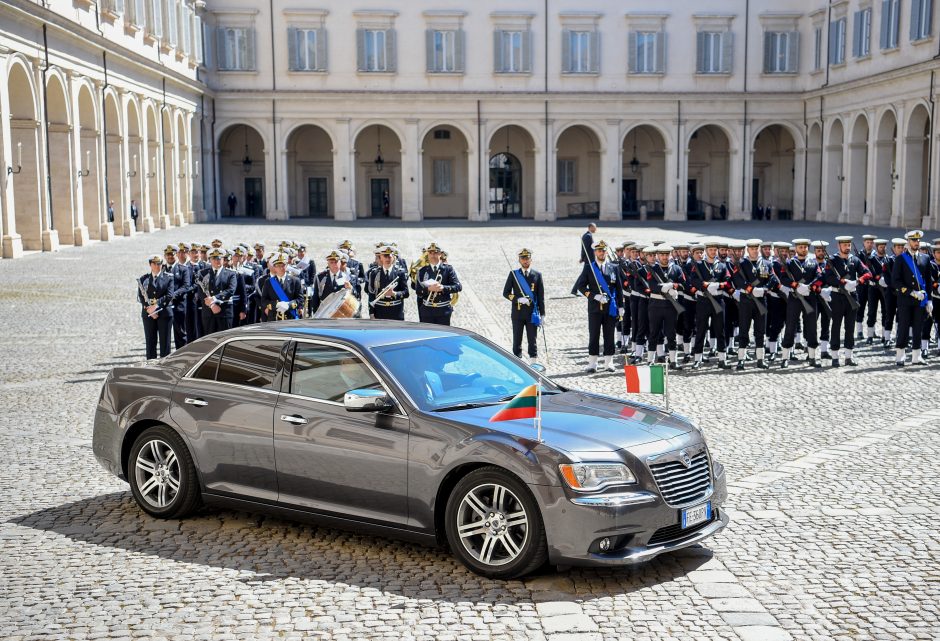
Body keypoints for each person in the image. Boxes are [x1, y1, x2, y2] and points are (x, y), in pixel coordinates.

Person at [821, 236, 871, 366]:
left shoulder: (855, 260)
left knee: (850, 327)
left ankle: (849, 356)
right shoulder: (832, 260)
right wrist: (843, 282)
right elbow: (828, 278)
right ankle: (835, 357)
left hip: (852, 297)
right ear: (839, 246)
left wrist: (857, 282)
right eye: (844, 245)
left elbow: (867, 273)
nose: (847, 247)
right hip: (837, 297)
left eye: (849, 245)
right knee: (836, 326)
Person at [574, 240, 622, 372]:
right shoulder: (589, 267)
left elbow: (619, 288)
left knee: (609, 335)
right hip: (595, 308)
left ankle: (609, 363)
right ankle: (592, 363)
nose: (601, 253)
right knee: (594, 335)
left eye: (603, 250)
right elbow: (581, 286)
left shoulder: (614, 267)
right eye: (599, 250)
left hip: (610, 308)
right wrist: (594, 296)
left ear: (606, 251)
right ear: (595, 252)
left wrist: (621, 306)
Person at [731, 239, 779, 370]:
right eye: (751, 248)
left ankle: (760, 359)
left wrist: (765, 289)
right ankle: (741, 359)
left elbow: (773, 278)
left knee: (760, 331)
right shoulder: (741, 263)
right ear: (748, 250)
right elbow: (736, 279)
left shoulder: (767, 263)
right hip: (746, 300)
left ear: (759, 249)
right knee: (744, 330)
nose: (754, 250)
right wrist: (750, 288)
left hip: (761, 300)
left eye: (756, 248)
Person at [779, 239, 824, 368]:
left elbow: (820, 277)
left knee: (811, 326)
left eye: (805, 247)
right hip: (794, 297)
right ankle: (785, 357)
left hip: (810, 298)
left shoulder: (813, 262)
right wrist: (796, 285)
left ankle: (812, 356)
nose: (803, 249)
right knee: (790, 326)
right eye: (800, 247)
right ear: (796, 248)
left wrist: (810, 287)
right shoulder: (790, 263)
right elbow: (783, 279)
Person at [689, 240, 733, 369]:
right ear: (706, 251)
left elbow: (727, 281)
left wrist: (717, 285)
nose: (713, 252)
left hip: (718, 299)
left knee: (720, 330)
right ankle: (697, 358)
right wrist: (705, 286)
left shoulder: (722, 266)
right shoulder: (698, 265)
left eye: (715, 250)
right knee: (701, 329)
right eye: (711, 250)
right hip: (703, 300)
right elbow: (693, 280)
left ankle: (722, 358)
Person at [892, 230, 933, 366]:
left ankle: (916, 356)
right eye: (914, 240)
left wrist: (929, 300)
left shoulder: (925, 258)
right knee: (903, 327)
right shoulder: (901, 259)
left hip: (920, 301)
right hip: (905, 299)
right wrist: (911, 292)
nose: (917, 243)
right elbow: (896, 281)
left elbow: (928, 280)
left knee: (918, 327)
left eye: (918, 240)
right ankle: (900, 356)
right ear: (908, 242)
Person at [502, 248, 545, 364]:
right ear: (519, 260)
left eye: (527, 258)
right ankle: (517, 364)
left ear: (531, 259)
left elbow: (540, 297)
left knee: (532, 340)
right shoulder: (513, 274)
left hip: (532, 314)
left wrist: (543, 315)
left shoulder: (537, 275)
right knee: (517, 340)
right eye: (523, 258)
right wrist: (517, 299)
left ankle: (533, 363)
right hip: (518, 313)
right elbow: (505, 293)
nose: (525, 261)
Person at [647, 245, 687, 370]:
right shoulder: (652, 269)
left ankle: (673, 360)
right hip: (656, 305)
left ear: (670, 255)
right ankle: (650, 360)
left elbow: (684, 284)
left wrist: (674, 286)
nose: (664, 257)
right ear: (658, 255)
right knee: (654, 333)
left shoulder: (676, 268)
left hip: (670, 306)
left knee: (671, 333)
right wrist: (662, 288)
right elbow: (651, 285)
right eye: (662, 255)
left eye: (666, 254)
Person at [414, 242, 462, 325]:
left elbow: (458, 286)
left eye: (435, 252)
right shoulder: (422, 271)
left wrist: (442, 287)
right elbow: (418, 290)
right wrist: (428, 289)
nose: (433, 255)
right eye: (430, 252)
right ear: (427, 254)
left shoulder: (448, 269)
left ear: (440, 254)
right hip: (427, 311)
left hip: (443, 310)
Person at [138, 254, 175, 360]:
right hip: (149, 315)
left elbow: (169, 295)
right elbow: (141, 296)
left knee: (165, 344)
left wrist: (156, 306)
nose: (157, 266)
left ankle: (165, 368)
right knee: (150, 343)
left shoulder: (169, 278)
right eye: (154, 263)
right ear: (150, 264)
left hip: (164, 314)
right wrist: (149, 309)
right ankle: (151, 368)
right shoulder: (143, 279)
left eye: (159, 263)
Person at [199, 247, 237, 334]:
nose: (217, 260)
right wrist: (212, 305)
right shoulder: (203, 273)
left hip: (224, 311)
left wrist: (214, 298)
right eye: (214, 258)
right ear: (210, 260)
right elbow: (201, 292)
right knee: (210, 341)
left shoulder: (231, 274)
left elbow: (231, 290)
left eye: (219, 258)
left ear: (223, 259)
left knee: (225, 339)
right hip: (209, 312)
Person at [368, 246, 409, 320]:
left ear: (393, 258)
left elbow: (406, 293)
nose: (387, 259)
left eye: (390, 256)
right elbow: (371, 294)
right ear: (380, 258)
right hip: (380, 311)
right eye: (385, 256)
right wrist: (371, 313)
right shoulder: (374, 273)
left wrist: (394, 294)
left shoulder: (400, 273)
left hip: (396, 311)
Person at [260, 252, 304, 321]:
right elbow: (264, 300)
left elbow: (300, 299)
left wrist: (288, 305)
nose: (281, 268)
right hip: (274, 317)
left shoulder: (295, 281)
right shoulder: (268, 282)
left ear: (286, 266)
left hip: (290, 317)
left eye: (283, 265)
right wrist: (276, 304)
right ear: (274, 267)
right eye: (278, 265)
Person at [164, 244, 191, 349]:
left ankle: (182, 356)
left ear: (177, 255)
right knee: (165, 334)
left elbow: (186, 286)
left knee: (180, 333)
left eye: (172, 254)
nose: (170, 256)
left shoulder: (183, 269)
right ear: (165, 256)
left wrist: (173, 295)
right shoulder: (162, 269)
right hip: (165, 307)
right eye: (168, 254)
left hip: (178, 306)